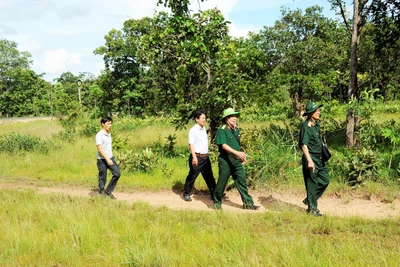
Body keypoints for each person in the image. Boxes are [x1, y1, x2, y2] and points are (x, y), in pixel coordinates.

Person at [213, 108, 260, 210]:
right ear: (226, 119)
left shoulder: (235, 129)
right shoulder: (222, 130)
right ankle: (217, 202)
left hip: (236, 160)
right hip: (226, 160)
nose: (234, 118)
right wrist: (237, 153)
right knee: (222, 182)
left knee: (241, 181)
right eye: (231, 116)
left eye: (235, 116)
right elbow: (224, 145)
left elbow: (237, 145)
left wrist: (241, 155)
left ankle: (248, 203)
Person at [299, 101, 330, 216]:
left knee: (325, 180)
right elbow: (304, 145)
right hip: (311, 158)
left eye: (318, 110)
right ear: (310, 113)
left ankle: (310, 199)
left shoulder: (315, 125)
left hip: (319, 158)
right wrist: (310, 161)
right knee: (312, 184)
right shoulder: (305, 126)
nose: (319, 112)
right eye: (316, 111)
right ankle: (312, 210)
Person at [183, 110, 216, 201]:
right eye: (202, 118)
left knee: (209, 176)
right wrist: (194, 157)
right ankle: (186, 193)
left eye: (205, 118)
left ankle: (214, 193)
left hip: (205, 157)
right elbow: (191, 144)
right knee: (192, 176)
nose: (204, 120)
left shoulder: (204, 129)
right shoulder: (193, 130)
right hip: (197, 157)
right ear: (196, 119)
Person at [95, 116, 121, 199]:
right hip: (102, 160)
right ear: (103, 124)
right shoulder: (99, 135)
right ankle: (102, 194)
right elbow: (99, 148)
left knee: (117, 174)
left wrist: (109, 158)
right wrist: (107, 159)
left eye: (111, 123)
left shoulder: (109, 133)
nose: (110, 125)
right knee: (102, 177)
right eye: (108, 124)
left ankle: (108, 190)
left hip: (110, 157)